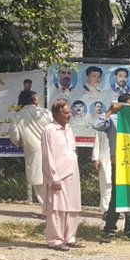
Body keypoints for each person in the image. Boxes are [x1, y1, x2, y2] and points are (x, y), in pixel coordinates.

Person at [92, 93, 130, 242]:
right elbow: (97, 125)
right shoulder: (112, 120)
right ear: (120, 105)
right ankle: (109, 229)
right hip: (119, 163)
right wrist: (110, 111)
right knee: (117, 196)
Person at [41, 100, 81, 251]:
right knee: (56, 208)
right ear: (56, 113)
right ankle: (55, 240)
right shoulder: (49, 130)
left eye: (69, 112)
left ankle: (69, 238)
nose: (69, 115)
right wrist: (54, 177)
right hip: (58, 175)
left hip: (72, 172)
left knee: (72, 207)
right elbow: (48, 155)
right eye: (66, 113)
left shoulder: (69, 128)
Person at [9, 90, 52, 206]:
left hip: (33, 153)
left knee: (38, 183)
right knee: (53, 182)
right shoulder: (45, 113)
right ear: (35, 100)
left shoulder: (17, 116)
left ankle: (47, 209)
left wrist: (20, 143)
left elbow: (15, 136)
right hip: (52, 152)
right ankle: (55, 209)